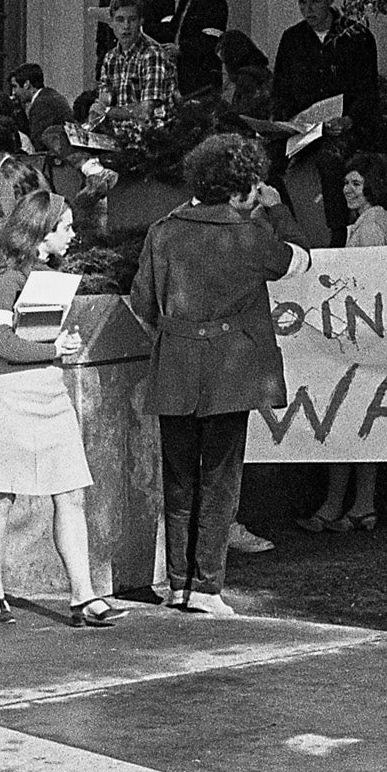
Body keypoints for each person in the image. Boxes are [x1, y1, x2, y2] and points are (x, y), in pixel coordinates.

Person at [127, 134, 311, 616]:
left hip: (175, 363)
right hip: (231, 369)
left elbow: (141, 303)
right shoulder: (250, 233)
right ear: (241, 187)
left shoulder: (162, 231)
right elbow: (298, 259)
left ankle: (178, 584)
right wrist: (275, 208)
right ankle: (207, 588)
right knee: (221, 478)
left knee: (180, 477)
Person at [0, 192, 120, 628]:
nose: (73, 236)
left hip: (48, 392)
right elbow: (0, 344)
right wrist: (53, 347)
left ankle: (83, 597)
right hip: (11, 393)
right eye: (66, 227)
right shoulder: (4, 279)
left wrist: (54, 347)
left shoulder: (50, 276)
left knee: (71, 494)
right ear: (42, 232)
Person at [299, 153, 387, 536]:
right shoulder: (364, 224)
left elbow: (365, 283)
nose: (348, 191)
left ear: (372, 186)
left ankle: (352, 505)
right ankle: (350, 504)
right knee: (351, 419)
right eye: (345, 184)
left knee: (349, 418)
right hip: (357, 335)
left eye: (357, 184)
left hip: (360, 337)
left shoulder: (372, 226)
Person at [270, 0, 379, 245]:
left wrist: (349, 119)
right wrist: (286, 122)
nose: (308, 10)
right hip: (303, 127)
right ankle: (288, 229)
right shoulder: (292, 38)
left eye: (315, 2)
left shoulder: (357, 36)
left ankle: (338, 232)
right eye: (302, 3)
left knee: (330, 161)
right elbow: (280, 90)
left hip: (341, 127)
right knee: (266, 162)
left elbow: (368, 91)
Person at [91, 0, 174, 127]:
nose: (126, 26)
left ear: (141, 22)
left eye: (132, 19)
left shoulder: (152, 54)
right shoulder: (110, 58)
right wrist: (97, 111)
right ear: (111, 23)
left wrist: (106, 112)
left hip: (155, 135)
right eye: (120, 20)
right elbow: (104, 100)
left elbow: (145, 112)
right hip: (121, 133)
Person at [165, 0, 232, 98]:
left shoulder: (214, 0)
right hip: (182, 74)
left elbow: (211, 40)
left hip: (203, 77)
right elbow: (174, 29)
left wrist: (181, 48)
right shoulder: (184, 2)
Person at [7, 65, 73, 155]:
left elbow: (38, 143)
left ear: (26, 84)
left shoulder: (42, 103)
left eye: (15, 87)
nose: (13, 92)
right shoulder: (50, 96)